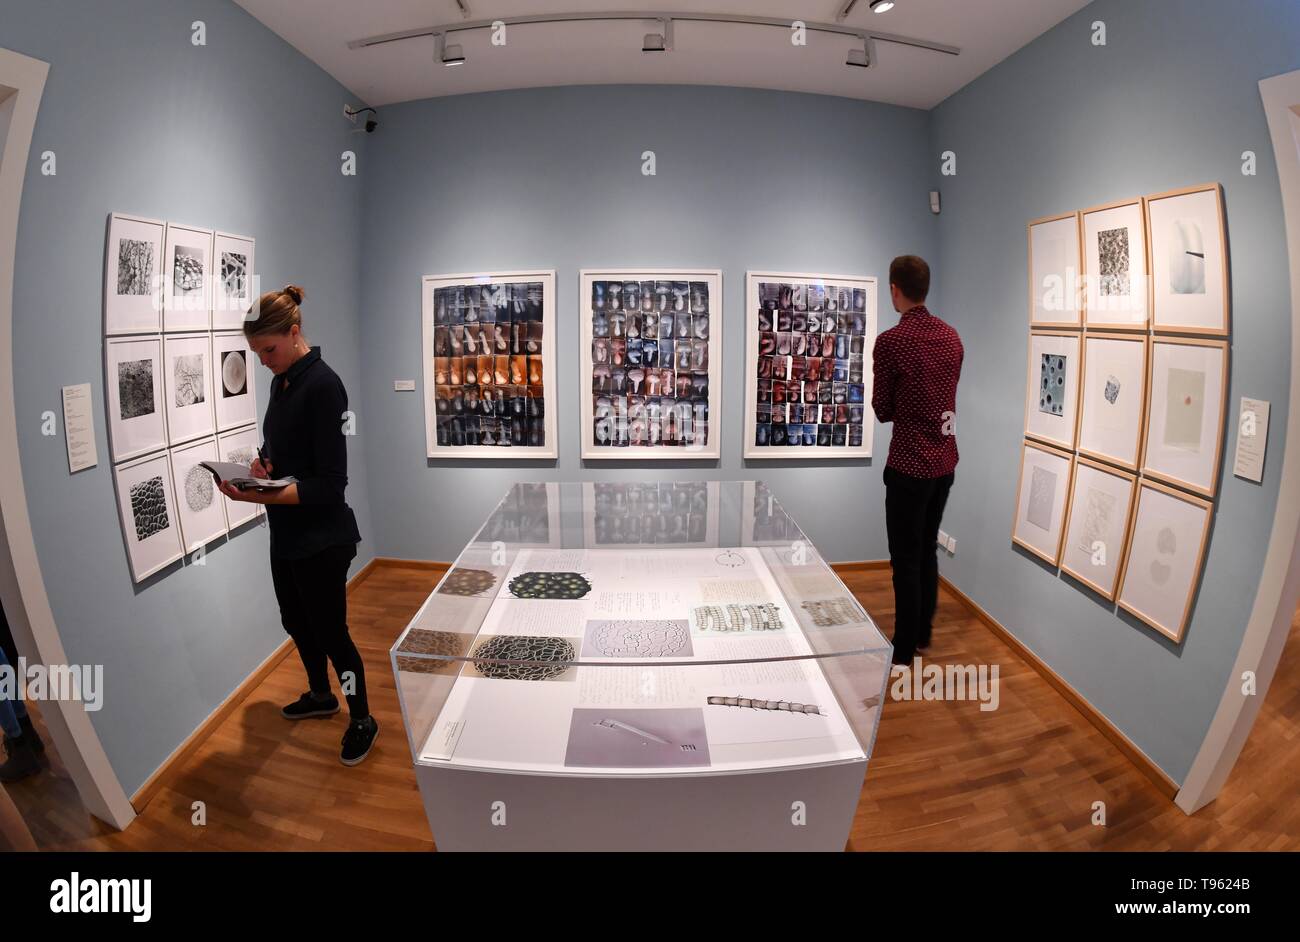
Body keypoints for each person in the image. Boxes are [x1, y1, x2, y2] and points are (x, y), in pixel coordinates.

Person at [218, 285, 376, 766]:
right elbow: (285, 454)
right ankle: (319, 694)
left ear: (294, 331)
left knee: (332, 633)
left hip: (323, 536)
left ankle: (363, 717)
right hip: (287, 530)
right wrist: (263, 470)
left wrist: (258, 493)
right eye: (257, 352)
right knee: (295, 620)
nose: (264, 361)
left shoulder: (325, 386)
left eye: (269, 349)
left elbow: (330, 484)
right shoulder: (281, 381)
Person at [872, 256, 963, 667]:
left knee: (904, 559)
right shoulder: (952, 338)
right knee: (926, 550)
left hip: (909, 466)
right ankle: (923, 632)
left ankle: (904, 649)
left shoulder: (891, 343)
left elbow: (882, 409)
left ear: (895, 289)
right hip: (944, 464)